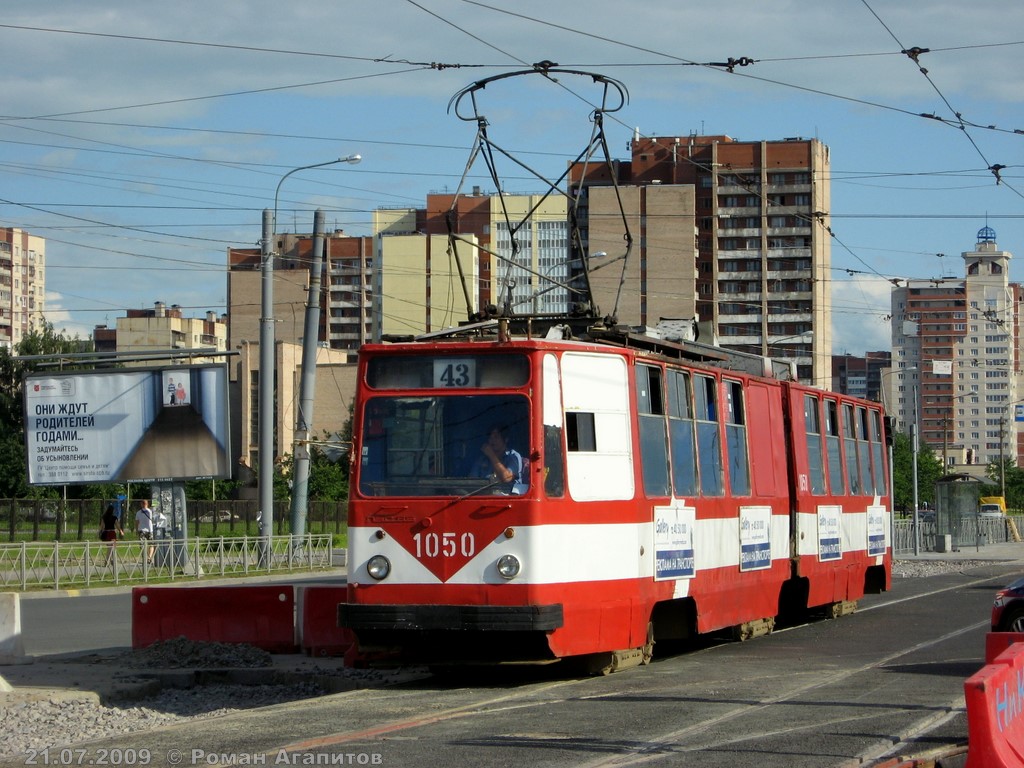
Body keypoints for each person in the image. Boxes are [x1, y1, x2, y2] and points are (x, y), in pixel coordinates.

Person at [473, 425, 525, 494]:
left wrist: (492, 455)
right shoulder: (482, 459)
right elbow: (472, 481)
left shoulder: (513, 456)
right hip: (485, 497)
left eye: (496, 437)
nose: (492, 441)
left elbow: (507, 478)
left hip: (508, 499)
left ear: (505, 439)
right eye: (490, 438)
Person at [135, 499, 156, 563]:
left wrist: (136, 530)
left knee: (142, 545)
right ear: (147, 504)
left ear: (141, 504)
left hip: (141, 530)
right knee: (151, 544)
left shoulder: (138, 512)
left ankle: (144, 557)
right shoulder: (150, 511)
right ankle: (149, 557)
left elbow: (137, 522)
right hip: (150, 530)